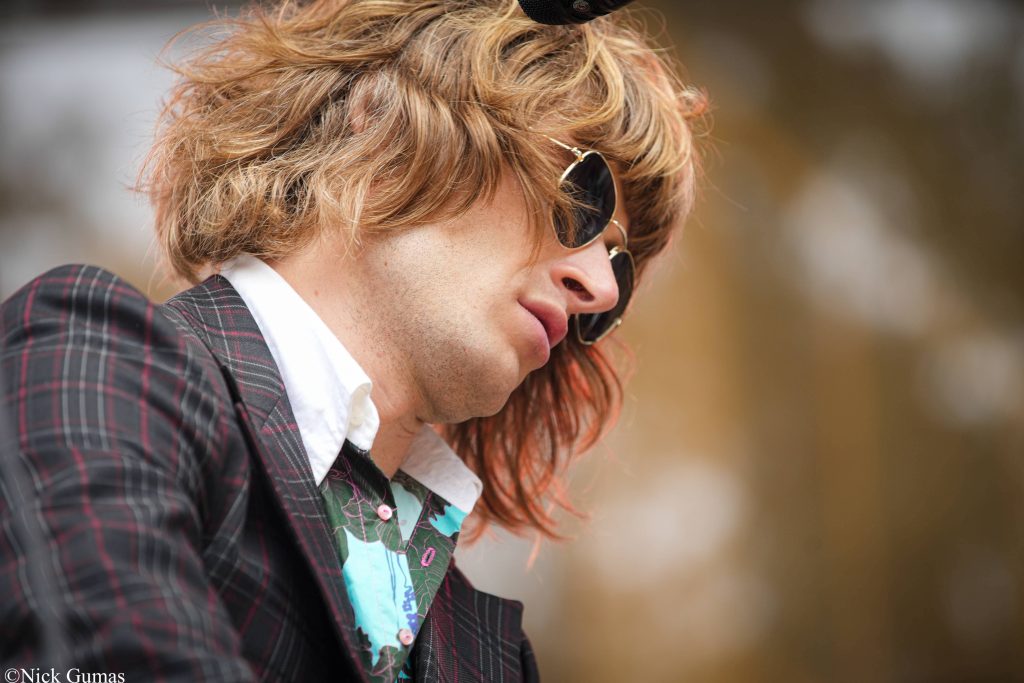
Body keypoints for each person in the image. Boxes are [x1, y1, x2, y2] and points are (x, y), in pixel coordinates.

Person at [0, 0, 705, 680]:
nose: (600, 288)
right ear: (386, 126)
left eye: (620, 267)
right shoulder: (97, 365)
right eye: (585, 196)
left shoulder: (493, 653)